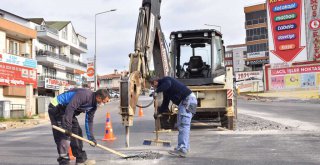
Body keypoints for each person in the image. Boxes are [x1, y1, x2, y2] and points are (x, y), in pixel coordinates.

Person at [48, 88, 110, 165]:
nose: (104, 104)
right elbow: (70, 108)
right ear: (99, 97)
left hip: (68, 111)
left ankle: (80, 159)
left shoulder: (93, 106)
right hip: (57, 107)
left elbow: (89, 121)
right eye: (104, 101)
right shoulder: (85, 95)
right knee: (63, 135)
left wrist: (91, 138)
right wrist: (67, 127)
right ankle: (64, 161)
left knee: (77, 132)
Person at [149, 76, 197, 157]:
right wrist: (158, 113)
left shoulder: (166, 80)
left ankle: (183, 149)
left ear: (155, 82)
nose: (154, 87)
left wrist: (156, 91)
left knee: (183, 125)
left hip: (187, 100)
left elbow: (167, 84)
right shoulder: (166, 91)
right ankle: (183, 147)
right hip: (187, 101)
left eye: (153, 86)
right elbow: (165, 104)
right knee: (182, 125)